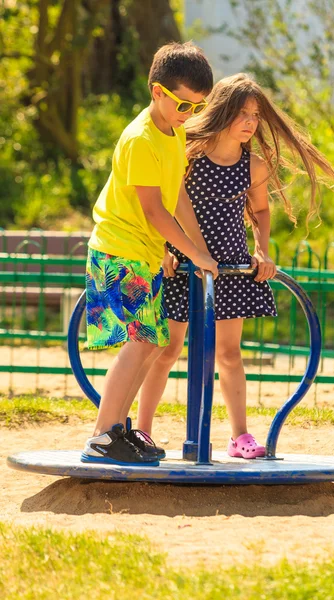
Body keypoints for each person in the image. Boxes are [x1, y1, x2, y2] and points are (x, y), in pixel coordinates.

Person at [137, 73, 334, 458]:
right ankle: (142, 431)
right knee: (166, 349)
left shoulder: (252, 165)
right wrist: (168, 250)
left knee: (230, 353)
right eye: (242, 113)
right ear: (222, 111)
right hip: (186, 264)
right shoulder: (188, 151)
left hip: (230, 267)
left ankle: (240, 436)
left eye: (255, 115)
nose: (251, 122)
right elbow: (165, 205)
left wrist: (263, 251)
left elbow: (259, 210)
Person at [81, 42, 218, 466]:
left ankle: (119, 430)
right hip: (118, 249)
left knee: (152, 342)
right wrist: (193, 253)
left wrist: (201, 250)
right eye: (182, 104)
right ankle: (103, 435)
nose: (188, 115)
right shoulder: (140, 139)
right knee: (140, 343)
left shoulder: (173, 134)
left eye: (198, 108)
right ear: (157, 92)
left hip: (142, 253)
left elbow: (177, 200)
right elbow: (153, 210)